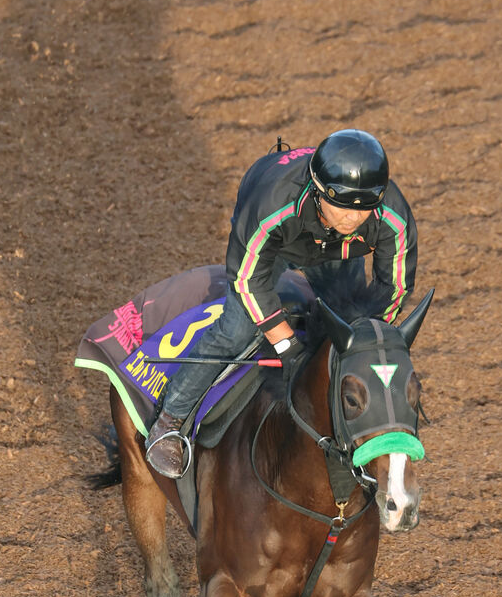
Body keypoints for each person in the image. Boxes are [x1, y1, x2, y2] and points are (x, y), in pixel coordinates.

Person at [145, 128, 417, 478]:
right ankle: (170, 419)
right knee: (237, 330)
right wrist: (285, 343)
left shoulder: (389, 212)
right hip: (276, 242)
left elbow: (393, 289)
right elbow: (247, 281)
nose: (353, 219)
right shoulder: (272, 202)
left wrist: (365, 342)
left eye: (364, 210)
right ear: (319, 192)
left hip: (334, 251)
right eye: (343, 207)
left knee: (354, 331)